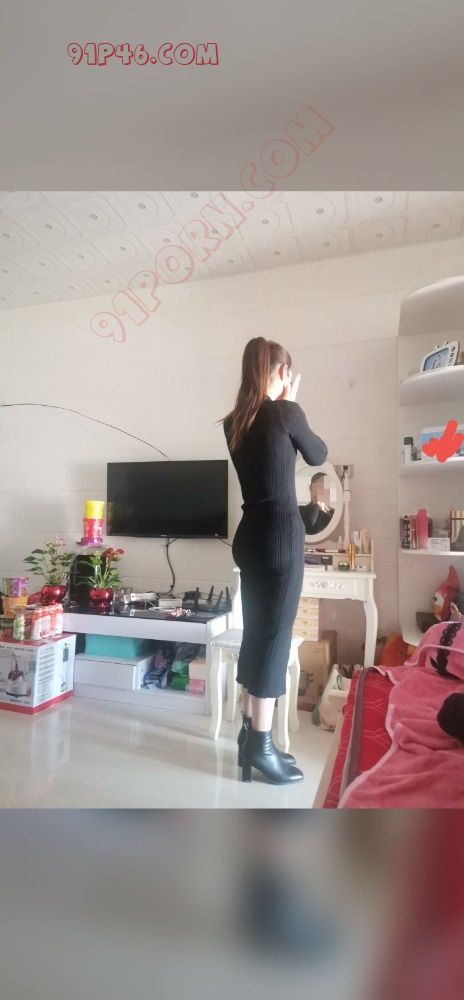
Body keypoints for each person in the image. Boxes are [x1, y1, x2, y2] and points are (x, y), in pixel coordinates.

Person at [223, 338, 328, 785]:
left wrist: (284, 405)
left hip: (249, 539)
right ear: (282, 372)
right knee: (273, 640)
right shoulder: (285, 413)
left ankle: (250, 736)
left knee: (257, 635)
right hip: (280, 540)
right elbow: (318, 454)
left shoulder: (235, 422)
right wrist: (292, 404)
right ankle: (262, 746)